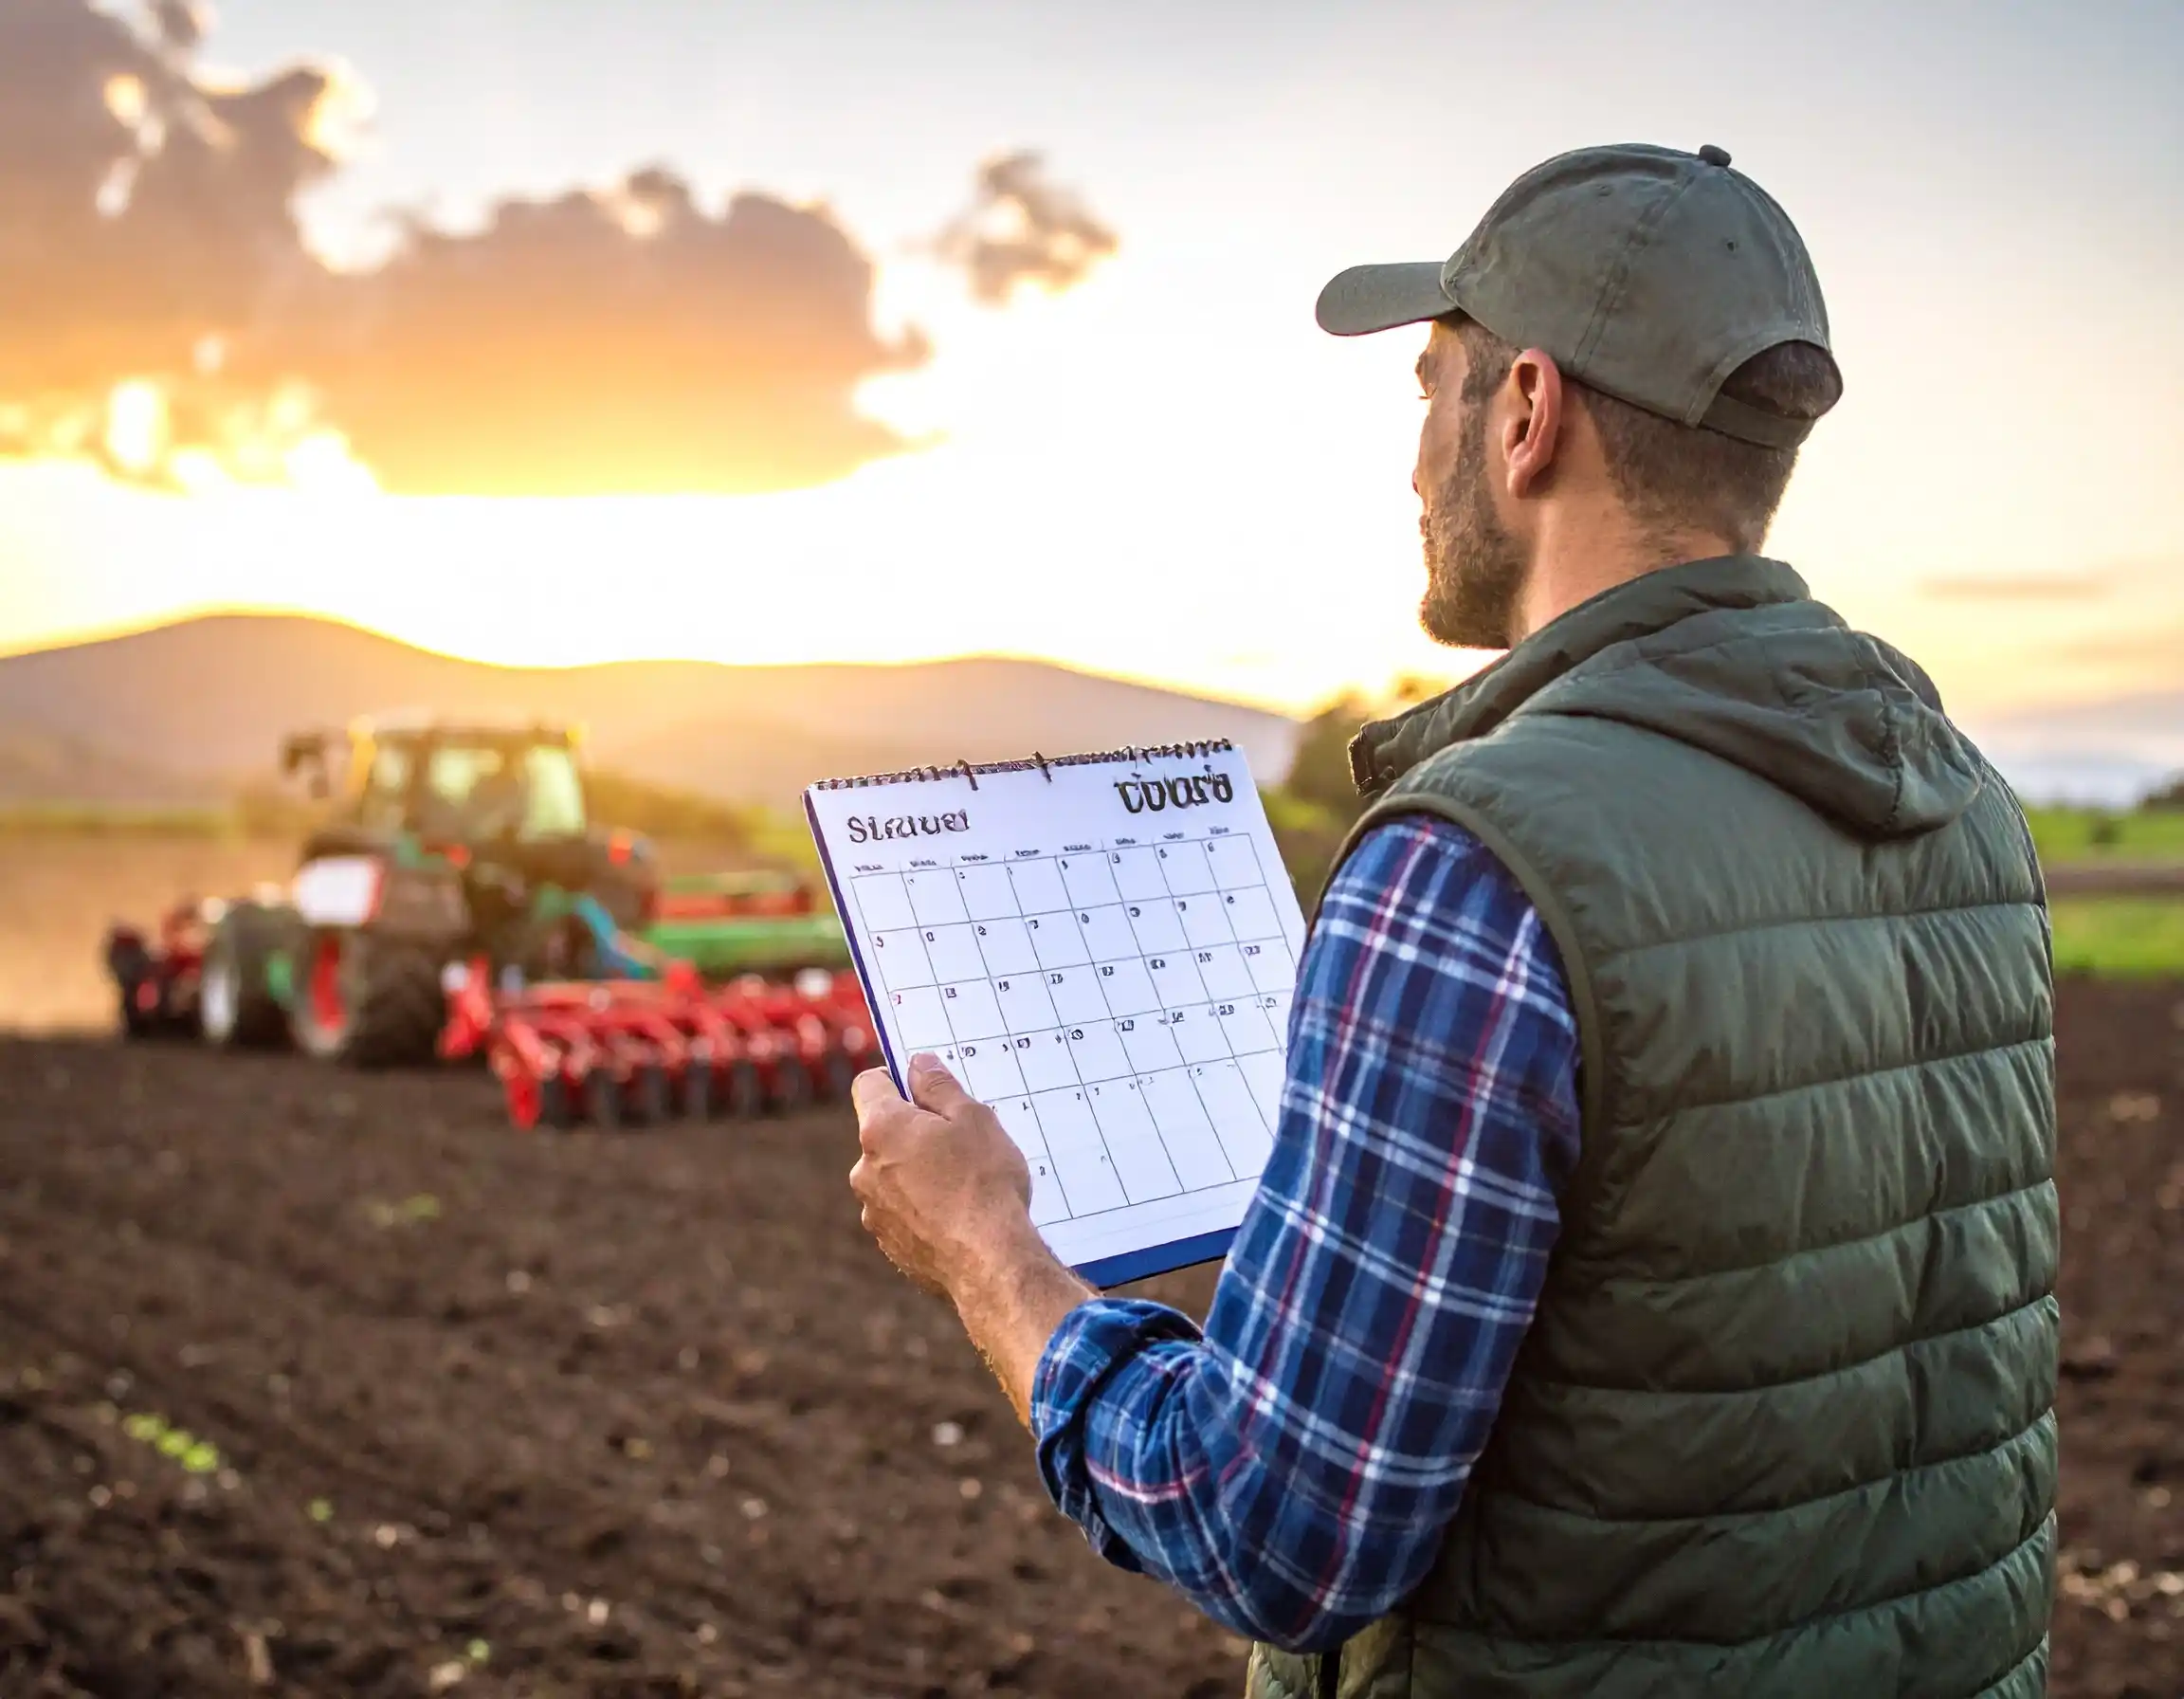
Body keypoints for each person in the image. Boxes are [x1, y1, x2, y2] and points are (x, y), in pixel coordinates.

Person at [849, 141, 2058, 1697]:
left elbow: (1273, 1530)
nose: (1416, 461)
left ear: (1527, 415)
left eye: (1430, 389)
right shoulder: (1968, 806)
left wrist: (991, 1256)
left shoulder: (1474, 864)